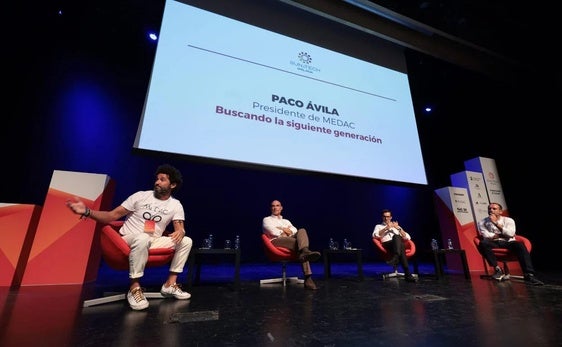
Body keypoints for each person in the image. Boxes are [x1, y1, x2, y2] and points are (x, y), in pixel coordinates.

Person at [65, 164, 193, 310]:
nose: (157, 182)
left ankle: (170, 284)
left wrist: (181, 232)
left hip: (154, 241)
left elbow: (179, 228)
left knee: (186, 241)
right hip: (128, 239)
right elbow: (111, 216)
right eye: (157, 179)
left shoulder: (175, 205)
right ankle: (134, 288)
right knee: (142, 238)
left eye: (162, 180)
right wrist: (87, 211)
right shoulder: (140, 196)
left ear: (173, 185)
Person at [476, 202, 543, 285]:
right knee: (483, 243)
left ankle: (529, 274)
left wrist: (496, 223)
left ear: (500, 211)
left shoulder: (509, 220)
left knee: (520, 245)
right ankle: (497, 269)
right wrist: (503, 234)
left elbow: (511, 234)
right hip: (494, 242)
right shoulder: (482, 222)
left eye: (494, 209)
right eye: (489, 209)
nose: (491, 210)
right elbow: (486, 236)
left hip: (508, 242)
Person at [262, 200, 321, 290]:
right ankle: (308, 278)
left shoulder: (286, 221)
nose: (275, 207)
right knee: (298, 244)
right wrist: (284, 230)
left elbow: (295, 230)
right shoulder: (267, 220)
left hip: (289, 240)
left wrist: (283, 229)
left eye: (277, 205)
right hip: (275, 242)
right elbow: (272, 231)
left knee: (302, 231)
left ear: (281, 208)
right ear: (271, 208)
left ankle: (304, 252)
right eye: (273, 206)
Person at [372, 209, 418, 282]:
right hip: (387, 244)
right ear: (382, 217)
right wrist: (386, 228)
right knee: (398, 240)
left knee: (398, 239)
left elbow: (408, 237)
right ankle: (408, 274)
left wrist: (399, 229)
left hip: (398, 245)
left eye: (388, 216)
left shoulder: (396, 226)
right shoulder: (378, 226)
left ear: (391, 217)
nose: (386, 218)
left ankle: (396, 258)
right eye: (384, 217)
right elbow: (375, 235)